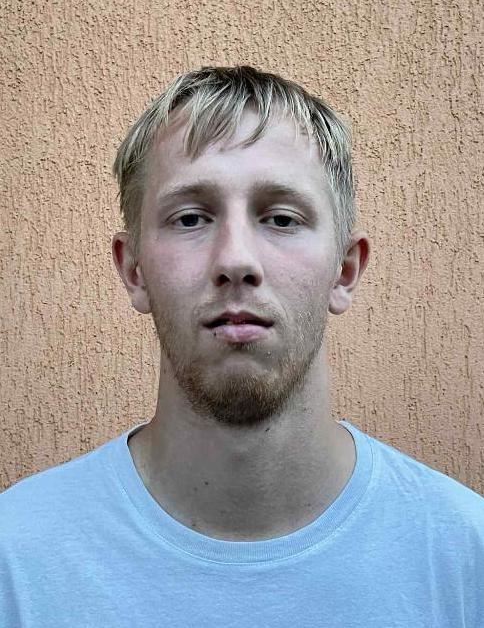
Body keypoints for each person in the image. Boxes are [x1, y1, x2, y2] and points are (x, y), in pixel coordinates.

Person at [1, 65, 483, 627]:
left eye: (281, 218)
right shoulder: (16, 562)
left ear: (345, 270)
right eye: (190, 218)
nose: (235, 259)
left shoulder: (465, 559)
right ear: (134, 270)